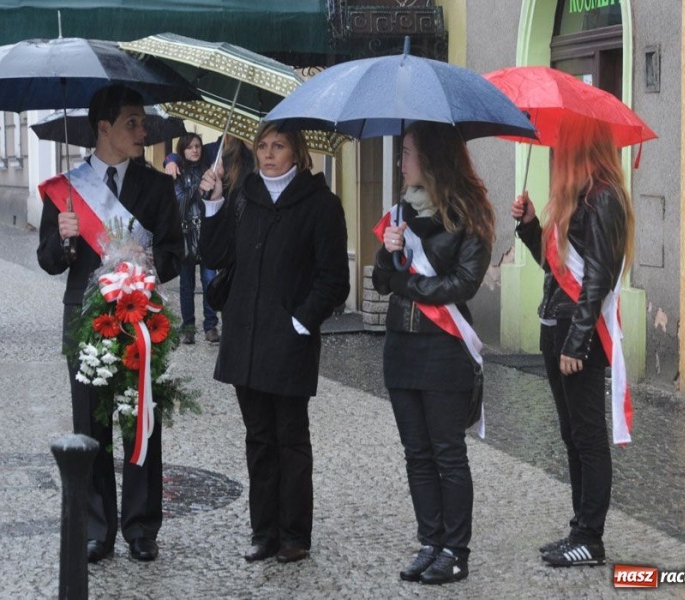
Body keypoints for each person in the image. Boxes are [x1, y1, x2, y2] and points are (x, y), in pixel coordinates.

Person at [37, 85, 183, 564]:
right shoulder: (66, 190)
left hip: (141, 316)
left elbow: (175, 254)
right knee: (91, 422)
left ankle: (142, 527)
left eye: (143, 122)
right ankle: (97, 527)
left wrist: (146, 262)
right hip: (85, 318)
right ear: (104, 128)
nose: (144, 132)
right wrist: (63, 240)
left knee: (142, 421)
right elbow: (49, 261)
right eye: (133, 123)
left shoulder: (158, 187)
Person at [198, 122, 350, 564]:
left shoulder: (321, 205)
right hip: (245, 337)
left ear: (297, 152)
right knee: (258, 439)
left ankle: (294, 534)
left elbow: (333, 279)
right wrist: (213, 204)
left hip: (289, 342)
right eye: (262, 146)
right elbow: (215, 256)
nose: (268, 154)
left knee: (290, 439)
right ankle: (263, 532)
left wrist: (301, 322)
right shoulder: (245, 196)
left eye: (278, 146)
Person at [511, 115, 635, 567]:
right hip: (557, 328)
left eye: (565, 145)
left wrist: (577, 344)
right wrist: (530, 226)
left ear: (584, 147)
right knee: (571, 434)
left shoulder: (604, 199)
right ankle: (578, 528)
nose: (557, 153)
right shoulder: (576, 198)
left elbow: (597, 279)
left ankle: (590, 538)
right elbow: (556, 269)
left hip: (578, 335)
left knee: (587, 436)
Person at [372, 121, 493, 585]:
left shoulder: (471, 213)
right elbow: (382, 280)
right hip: (401, 347)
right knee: (416, 453)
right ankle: (430, 541)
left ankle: (454, 550)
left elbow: (463, 283)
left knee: (447, 453)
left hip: (444, 350)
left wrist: (407, 281)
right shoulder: (399, 211)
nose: (400, 162)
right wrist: (388, 252)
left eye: (406, 153)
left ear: (434, 158)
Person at [167, 132, 220, 344]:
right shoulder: (177, 173)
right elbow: (179, 202)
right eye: (190, 147)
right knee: (186, 284)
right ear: (183, 150)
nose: (195, 150)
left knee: (209, 281)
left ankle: (211, 326)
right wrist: (198, 190)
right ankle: (188, 326)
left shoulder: (210, 169)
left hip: (207, 234)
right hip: (185, 234)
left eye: (197, 146)